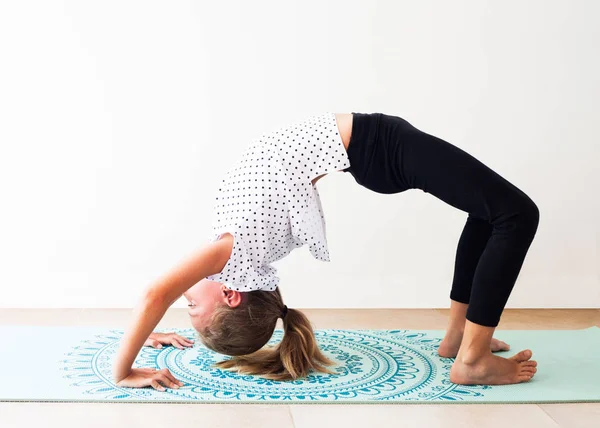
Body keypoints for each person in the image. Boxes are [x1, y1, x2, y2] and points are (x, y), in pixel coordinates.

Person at [112, 112, 539, 391]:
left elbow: (159, 300)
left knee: (488, 214)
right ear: (231, 295)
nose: (184, 300)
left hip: (375, 151)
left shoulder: (243, 259)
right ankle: (472, 361)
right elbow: (156, 295)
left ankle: (457, 337)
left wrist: (147, 336)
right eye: (191, 307)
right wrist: (124, 371)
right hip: (380, 147)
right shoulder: (229, 252)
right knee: (517, 215)